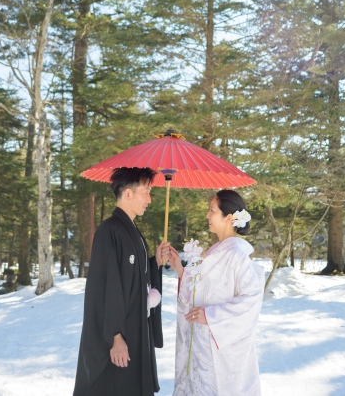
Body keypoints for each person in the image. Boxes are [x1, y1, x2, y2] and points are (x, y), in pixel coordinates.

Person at [73, 167, 166, 396]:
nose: (149, 199)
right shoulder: (110, 230)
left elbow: (135, 278)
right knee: (115, 386)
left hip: (135, 327)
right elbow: (107, 286)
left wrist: (155, 263)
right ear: (128, 194)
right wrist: (116, 338)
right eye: (146, 192)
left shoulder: (132, 230)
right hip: (118, 333)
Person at [165, 189, 265, 396]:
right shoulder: (215, 252)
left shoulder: (237, 255)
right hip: (201, 345)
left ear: (228, 217)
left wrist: (211, 316)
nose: (207, 215)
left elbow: (251, 300)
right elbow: (202, 290)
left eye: (212, 210)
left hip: (220, 348)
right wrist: (181, 271)